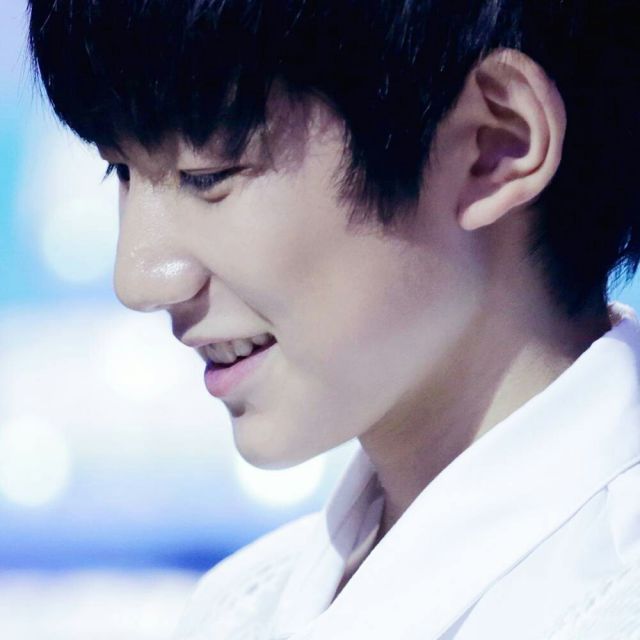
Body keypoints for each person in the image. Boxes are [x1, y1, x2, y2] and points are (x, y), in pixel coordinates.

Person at [25, 1, 640, 638]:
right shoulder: (241, 606)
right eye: (120, 170)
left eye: (207, 176)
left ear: (495, 144)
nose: (138, 277)